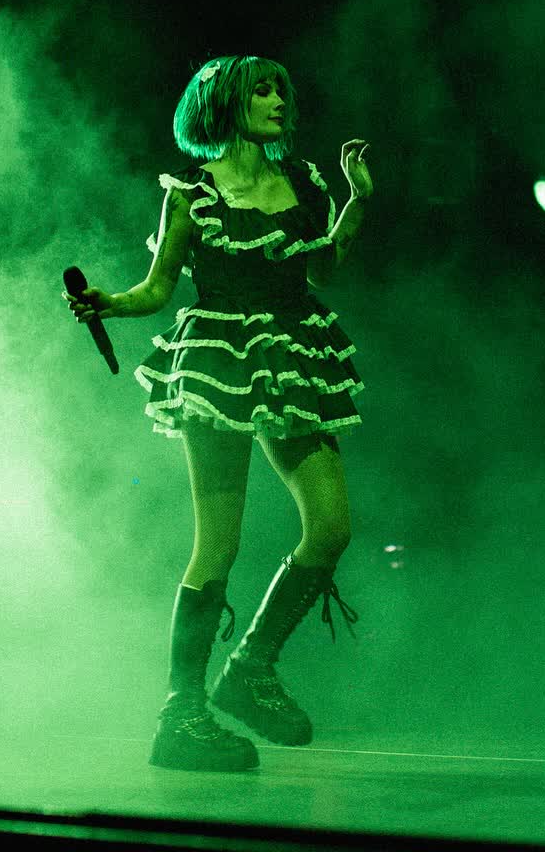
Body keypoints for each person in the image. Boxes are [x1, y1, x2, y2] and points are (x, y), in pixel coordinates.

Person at [64, 55, 373, 773]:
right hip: (218, 362)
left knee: (331, 527)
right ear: (226, 103)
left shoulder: (304, 182)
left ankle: (250, 668)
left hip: (293, 355)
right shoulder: (193, 194)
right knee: (218, 545)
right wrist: (107, 302)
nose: (276, 100)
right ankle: (181, 714)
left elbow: (323, 269)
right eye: (261, 89)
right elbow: (157, 289)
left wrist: (357, 201)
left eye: (280, 89)